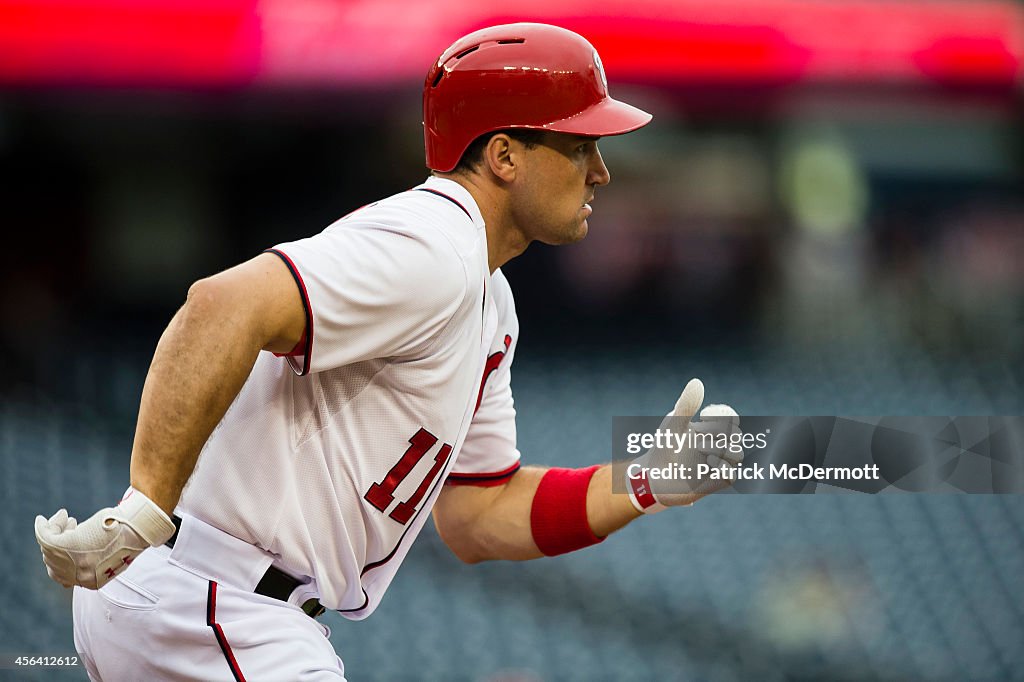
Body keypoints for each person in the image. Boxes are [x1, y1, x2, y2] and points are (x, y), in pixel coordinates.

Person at [34, 22, 741, 680]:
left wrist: (641, 484)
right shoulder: (433, 244)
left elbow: (478, 515)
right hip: (213, 598)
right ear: (503, 156)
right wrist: (143, 507)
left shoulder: (488, 297)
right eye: (581, 146)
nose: (601, 172)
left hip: (217, 600)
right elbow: (220, 306)